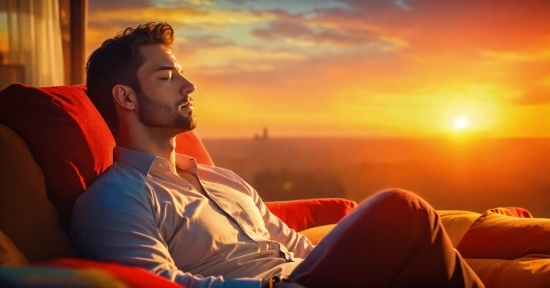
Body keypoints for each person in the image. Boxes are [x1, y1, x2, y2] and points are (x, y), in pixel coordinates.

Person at [70, 22, 484, 288]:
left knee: (412, 236)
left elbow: (296, 246)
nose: (189, 85)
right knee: (401, 209)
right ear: (124, 96)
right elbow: (157, 283)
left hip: (304, 278)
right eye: (166, 76)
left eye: (181, 72)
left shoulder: (223, 180)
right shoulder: (115, 197)